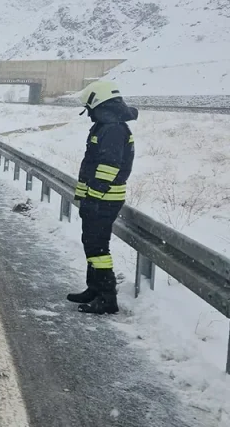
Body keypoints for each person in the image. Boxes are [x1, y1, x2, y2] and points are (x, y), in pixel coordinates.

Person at [68, 80, 137, 315]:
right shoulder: (106, 125)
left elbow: (109, 166)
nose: (88, 112)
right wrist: (84, 195)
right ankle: (95, 289)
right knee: (92, 243)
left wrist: (94, 198)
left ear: (99, 102)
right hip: (98, 199)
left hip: (103, 200)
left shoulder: (113, 128)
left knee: (98, 248)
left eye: (90, 106)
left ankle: (107, 298)